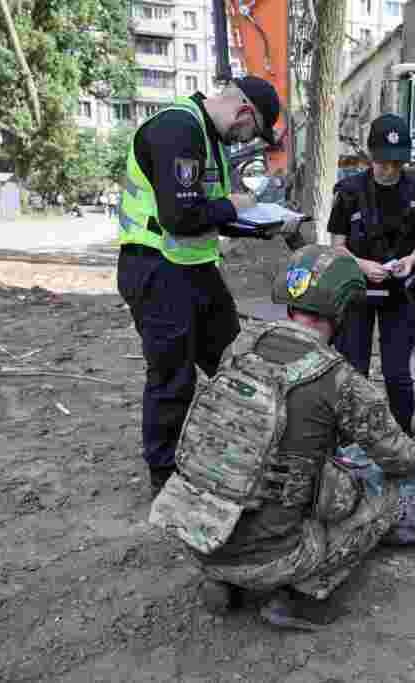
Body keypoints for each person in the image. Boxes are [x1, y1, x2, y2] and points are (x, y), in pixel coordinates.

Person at [158, 245, 415, 628]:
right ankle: (300, 597)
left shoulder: (241, 346)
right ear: (343, 310)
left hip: (195, 534)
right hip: (273, 558)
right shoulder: (340, 379)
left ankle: (222, 578)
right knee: (385, 499)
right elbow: (400, 458)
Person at [115, 75, 283, 497]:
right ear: (244, 112)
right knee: (173, 377)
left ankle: (239, 448)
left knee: (233, 358)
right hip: (156, 268)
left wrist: (258, 226)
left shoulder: (208, 139)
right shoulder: (180, 128)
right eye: (252, 132)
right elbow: (180, 217)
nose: (246, 141)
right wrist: (236, 205)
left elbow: (205, 212)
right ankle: (165, 476)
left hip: (193, 267)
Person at [329, 113, 415, 437]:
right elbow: (337, 247)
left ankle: (403, 439)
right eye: (383, 162)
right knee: (354, 370)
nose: (389, 170)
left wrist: (410, 261)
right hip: (357, 292)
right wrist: (362, 265)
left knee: (397, 373)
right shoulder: (349, 192)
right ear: (371, 156)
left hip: (399, 293)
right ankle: (351, 439)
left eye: (396, 163)